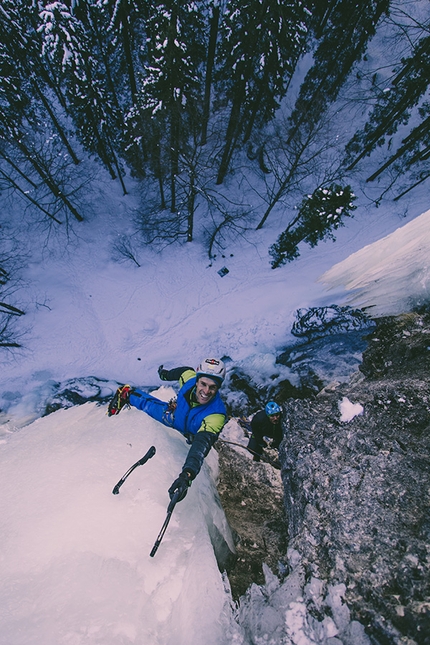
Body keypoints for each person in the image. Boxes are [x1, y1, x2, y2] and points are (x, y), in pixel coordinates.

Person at [107, 358, 227, 502]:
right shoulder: (189, 381)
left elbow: (201, 446)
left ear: (218, 388)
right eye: (203, 384)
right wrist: (165, 375)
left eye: (212, 387)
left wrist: (187, 475)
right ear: (197, 380)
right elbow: (184, 371)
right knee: (149, 405)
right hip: (175, 418)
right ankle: (126, 394)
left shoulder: (216, 414)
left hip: (192, 432)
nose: (206, 391)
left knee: (152, 408)